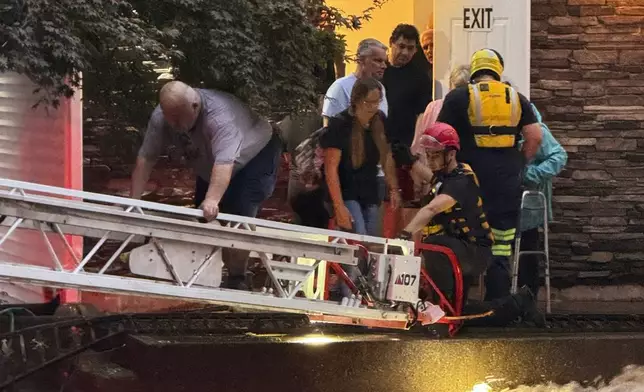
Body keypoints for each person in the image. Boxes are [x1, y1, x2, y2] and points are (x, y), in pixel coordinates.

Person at [131, 81, 283, 289]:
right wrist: (133, 203)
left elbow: (224, 163)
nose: (174, 125)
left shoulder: (221, 118)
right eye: (170, 118)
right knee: (202, 218)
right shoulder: (162, 116)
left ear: (195, 106)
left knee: (237, 213)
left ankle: (237, 279)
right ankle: (201, 276)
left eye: (178, 118)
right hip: (212, 161)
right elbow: (146, 158)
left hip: (256, 155)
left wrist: (212, 200)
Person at [394, 122, 544, 327]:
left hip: (473, 251)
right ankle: (519, 303)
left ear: (451, 154)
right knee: (460, 313)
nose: (430, 160)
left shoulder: (461, 180)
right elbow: (433, 179)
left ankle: (444, 308)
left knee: (435, 246)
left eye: (435, 155)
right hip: (458, 249)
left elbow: (432, 208)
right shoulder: (446, 176)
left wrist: (404, 233)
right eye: (428, 155)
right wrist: (411, 163)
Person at [436, 48, 543, 301]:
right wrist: (520, 162)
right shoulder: (517, 99)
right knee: (501, 244)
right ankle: (497, 304)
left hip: (469, 183)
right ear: (498, 70)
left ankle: (458, 303)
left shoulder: (459, 97)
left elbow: (440, 137)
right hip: (506, 183)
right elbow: (535, 137)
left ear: (474, 71)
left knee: (464, 239)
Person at [321, 78, 401, 300]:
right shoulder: (339, 125)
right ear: (356, 101)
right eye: (369, 103)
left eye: (378, 102)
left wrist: (394, 189)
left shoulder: (379, 122)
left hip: (369, 190)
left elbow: (386, 157)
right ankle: (350, 294)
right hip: (345, 190)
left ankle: (365, 293)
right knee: (358, 240)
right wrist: (338, 206)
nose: (373, 108)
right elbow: (330, 168)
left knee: (373, 242)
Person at [518, 104, 567, 298]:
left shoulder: (537, 130)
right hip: (510, 199)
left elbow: (559, 156)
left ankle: (527, 296)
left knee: (527, 247)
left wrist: (531, 174)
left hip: (529, 203)